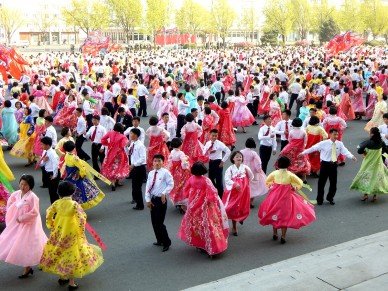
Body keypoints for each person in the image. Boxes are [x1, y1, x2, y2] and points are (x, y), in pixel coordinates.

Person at [40, 181, 104, 290]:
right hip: (72, 232)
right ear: (73, 192)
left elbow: (49, 213)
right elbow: (81, 217)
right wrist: (81, 229)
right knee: (72, 254)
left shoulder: (56, 203)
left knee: (60, 251)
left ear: (58, 192)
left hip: (59, 231)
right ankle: (71, 282)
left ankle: (62, 276)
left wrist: (51, 225)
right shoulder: (74, 204)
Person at [258, 156, 316, 244]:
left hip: (275, 197)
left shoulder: (274, 173)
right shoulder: (290, 175)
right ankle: (283, 236)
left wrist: (272, 186)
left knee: (274, 213)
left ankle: (275, 233)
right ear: (288, 165)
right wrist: (294, 187)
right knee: (284, 216)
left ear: (278, 164)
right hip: (286, 198)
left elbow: (267, 181)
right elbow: (299, 183)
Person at [0, 175, 47, 278]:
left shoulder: (33, 197)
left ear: (30, 186)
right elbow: (10, 203)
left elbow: (34, 212)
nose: (23, 186)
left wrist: (21, 218)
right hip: (18, 222)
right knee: (26, 241)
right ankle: (41, 258)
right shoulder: (16, 194)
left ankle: (28, 267)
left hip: (30, 223)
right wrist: (12, 212)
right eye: (21, 184)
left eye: (25, 184)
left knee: (29, 242)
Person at [178, 162, 229, 257]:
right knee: (209, 224)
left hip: (193, 204)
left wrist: (188, 198)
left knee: (196, 224)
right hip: (205, 205)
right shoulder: (206, 180)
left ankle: (199, 243)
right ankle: (212, 247)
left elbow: (185, 190)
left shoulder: (191, 179)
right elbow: (213, 192)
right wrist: (211, 201)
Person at [300, 129, 357, 205]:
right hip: (324, 165)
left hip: (334, 165)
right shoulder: (324, 143)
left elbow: (345, 151)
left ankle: (330, 198)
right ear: (330, 134)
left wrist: (352, 156)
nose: (336, 136)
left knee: (333, 183)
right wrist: (303, 153)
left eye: (337, 135)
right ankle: (319, 199)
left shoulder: (339, 144)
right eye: (334, 134)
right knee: (321, 183)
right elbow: (313, 148)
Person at [62, 141, 106, 210]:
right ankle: (79, 207)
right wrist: (82, 175)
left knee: (70, 192)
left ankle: (71, 207)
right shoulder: (75, 158)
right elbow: (82, 168)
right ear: (74, 148)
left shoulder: (66, 156)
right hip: (76, 177)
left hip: (69, 176)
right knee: (83, 191)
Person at [350, 127, 388, 202]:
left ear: (372, 134)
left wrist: (364, 152)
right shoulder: (381, 142)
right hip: (378, 163)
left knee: (366, 177)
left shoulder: (368, 142)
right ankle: (375, 196)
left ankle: (365, 195)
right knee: (376, 178)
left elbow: (359, 151)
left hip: (368, 163)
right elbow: (386, 150)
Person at [145, 155, 174, 252]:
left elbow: (171, 184)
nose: (157, 163)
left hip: (161, 200)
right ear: (152, 162)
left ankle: (166, 242)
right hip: (153, 199)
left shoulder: (166, 173)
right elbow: (148, 187)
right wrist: (148, 199)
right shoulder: (151, 173)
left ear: (162, 162)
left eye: (159, 161)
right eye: (155, 161)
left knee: (159, 223)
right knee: (154, 222)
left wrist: (164, 193)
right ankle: (159, 240)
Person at [222, 151, 254, 236]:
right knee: (233, 207)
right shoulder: (230, 169)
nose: (239, 158)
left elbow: (251, 176)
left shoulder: (245, 167)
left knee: (243, 205)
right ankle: (234, 226)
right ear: (233, 159)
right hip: (234, 191)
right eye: (237, 157)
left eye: (240, 157)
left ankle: (241, 217)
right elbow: (227, 178)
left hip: (244, 190)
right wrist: (234, 184)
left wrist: (246, 184)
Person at [274, 118, 311, 183]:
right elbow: (305, 141)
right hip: (300, 149)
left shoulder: (291, 131)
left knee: (287, 158)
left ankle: (290, 176)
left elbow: (289, 140)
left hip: (291, 148)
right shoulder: (303, 132)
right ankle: (304, 179)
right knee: (303, 162)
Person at [101, 123, 130, 191]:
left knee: (111, 167)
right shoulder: (123, 137)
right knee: (119, 167)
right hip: (119, 154)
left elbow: (103, 139)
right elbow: (124, 145)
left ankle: (113, 183)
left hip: (111, 152)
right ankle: (118, 181)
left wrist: (108, 144)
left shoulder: (110, 133)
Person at [240, 138, 268, 208]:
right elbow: (258, 162)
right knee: (253, 185)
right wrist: (259, 170)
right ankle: (250, 202)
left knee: (243, 184)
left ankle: (243, 200)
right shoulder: (253, 153)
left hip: (242, 169)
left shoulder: (241, 151)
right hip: (252, 170)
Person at [203, 129, 231, 198]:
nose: (214, 137)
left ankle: (221, 196)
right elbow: (203, 153)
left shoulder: (220, 144)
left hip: (218, 162)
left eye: (216, 136)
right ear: (210, 135)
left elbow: (228, 151)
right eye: (213, 135)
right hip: (211, 162)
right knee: (210, 179)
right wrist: (209, 152)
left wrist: (223, 161)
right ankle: (214, 192)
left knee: (219, 180)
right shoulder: (207, 143)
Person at [167, 138, 191, 208]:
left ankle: (177, 200)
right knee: (183, 186)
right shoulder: (181, 153)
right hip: (180, 171)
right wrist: (187, 160)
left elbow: (170, 161)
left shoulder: (172, 152)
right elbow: (183, 164)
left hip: (174, 171)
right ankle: (182, 202)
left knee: (176, 186)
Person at [128, 128, 147, 210]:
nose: (130, 135)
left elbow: (143, 158)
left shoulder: (140, 145)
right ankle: (136, 199)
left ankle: (140, 205)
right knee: (134, 185)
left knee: (137, 187)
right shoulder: (133, 143)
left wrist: (134, 165)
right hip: (134, 167)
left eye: (131, 133)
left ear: (136, 135)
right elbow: (130, 153)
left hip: (139, 168)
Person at [39, 137, 60, 204]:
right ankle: (54, 208)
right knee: (51, 192)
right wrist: (44, 161)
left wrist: (54, 175)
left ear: (47, 145)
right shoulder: (45, 152)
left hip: (52, 173)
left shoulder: (52, 154)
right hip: (48, 172)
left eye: (42, 144)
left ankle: (55, 208)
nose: (41, 146)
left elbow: (55, 165)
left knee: (53, 193)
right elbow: (42, 164)